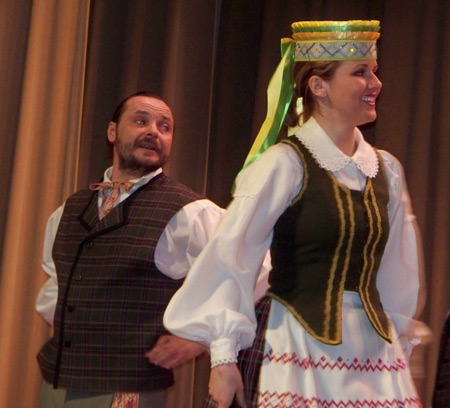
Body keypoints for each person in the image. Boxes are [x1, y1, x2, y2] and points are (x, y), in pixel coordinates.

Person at [163, 20, 425, 408]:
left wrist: (400, 342)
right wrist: (224, 357)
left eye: (374, 71)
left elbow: (397, 272)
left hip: (372, 358)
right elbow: (232, 257)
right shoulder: (285, 164)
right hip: (300, 347)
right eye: (360, 72)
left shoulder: (385, 169)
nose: (375, 83)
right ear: (318, 86)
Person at [35, 91, 246, 408]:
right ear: (112, 131)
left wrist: (201, 337)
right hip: (57, 383)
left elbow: (248, 271)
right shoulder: (70, 209)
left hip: (127, 389)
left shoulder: (189, 212)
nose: (153, 132)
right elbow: (56, 289)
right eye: (140, 121)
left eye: (165, 127)